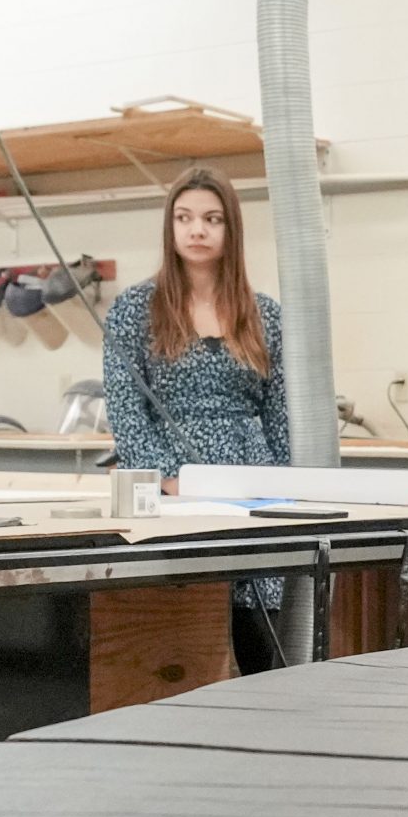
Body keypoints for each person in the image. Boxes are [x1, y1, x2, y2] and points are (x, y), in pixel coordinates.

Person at [101, 170, 293, 672]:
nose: (197, 231)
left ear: (231, 229)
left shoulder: (265, 315)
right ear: (170, 228)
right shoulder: (133, 310)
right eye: (184, 218)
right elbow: (126, 410)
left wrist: (285, 489)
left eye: (212, 219)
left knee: (256, 630)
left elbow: (280, 415)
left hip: (251, 483)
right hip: (169, 485)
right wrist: (166, 478)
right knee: (178, 624)